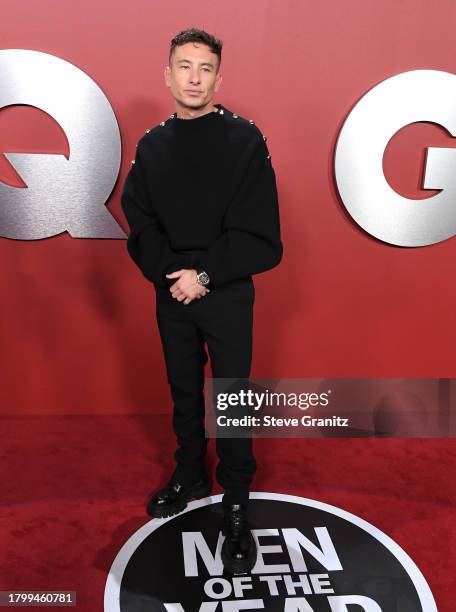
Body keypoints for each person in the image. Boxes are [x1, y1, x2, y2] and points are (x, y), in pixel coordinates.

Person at [120, 27, 282, 575]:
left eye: (205, 68)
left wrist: (205, 274)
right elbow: (140, 223)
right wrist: (177, 276)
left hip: (227, 290)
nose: (194, 77)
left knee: (232, 396)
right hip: (172, 290)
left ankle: (236, 497)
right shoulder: (151, 146)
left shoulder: (245, 140)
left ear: (219, 76)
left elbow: (260, 231)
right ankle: (189, 474)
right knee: (183, 389)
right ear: (167, 76)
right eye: (184, 66)